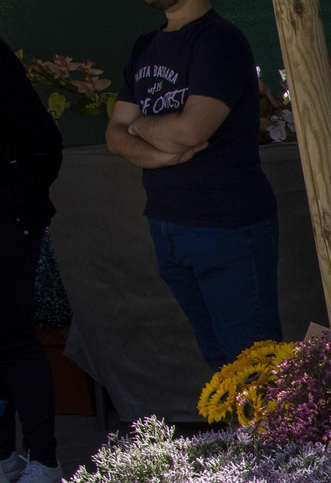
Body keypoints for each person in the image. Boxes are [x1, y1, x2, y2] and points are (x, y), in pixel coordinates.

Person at [107, 0, 281, 374]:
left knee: (253, 364)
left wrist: (139, 125)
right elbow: (113, 135)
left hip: (227, 224)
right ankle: (241, 434)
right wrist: (161, 155)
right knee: (220, 365)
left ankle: (275, 435)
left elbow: (190, 131)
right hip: (167, 222)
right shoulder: (145, 46)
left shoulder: (219, 41)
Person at [0, 32, 64, 483]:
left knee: (11, 336)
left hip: (5, 215)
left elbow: (42, 140)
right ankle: (3, 454)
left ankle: (44, 459)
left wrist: (19, 198)